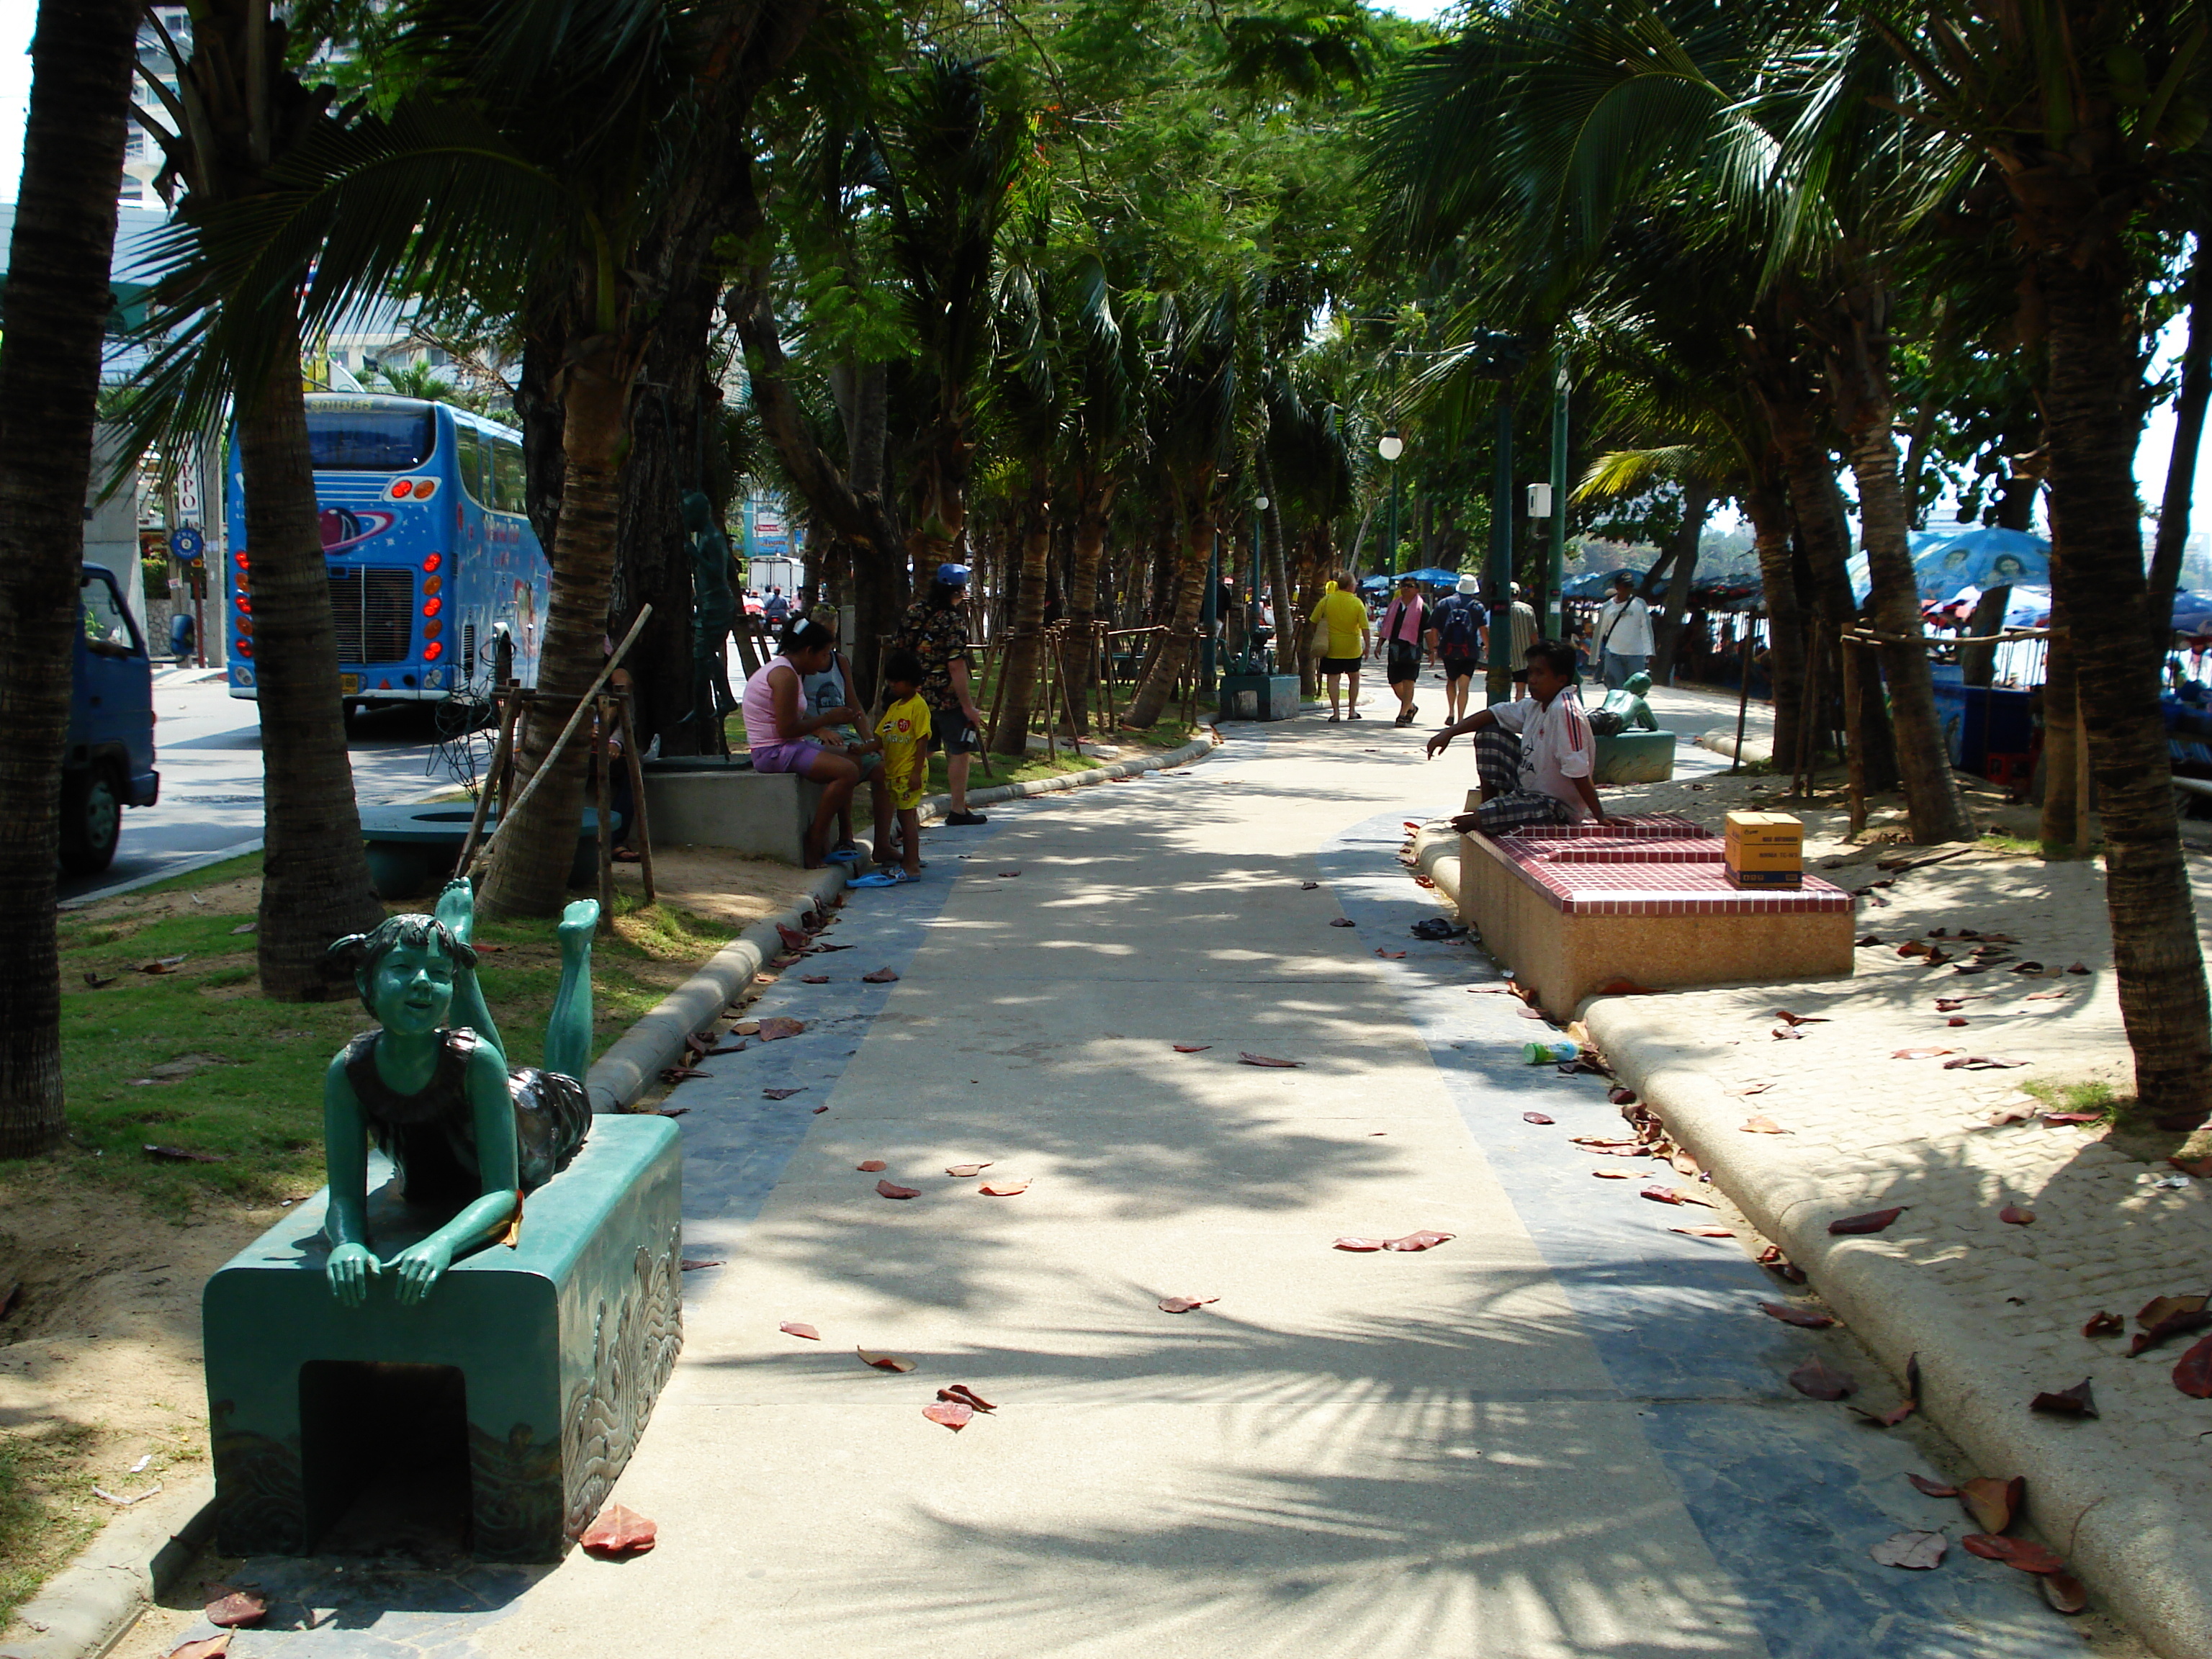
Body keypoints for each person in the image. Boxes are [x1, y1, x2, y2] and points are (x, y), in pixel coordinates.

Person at [321, 882, 595, 1306]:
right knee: (481, 1064)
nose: (422, 984)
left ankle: (576, 951)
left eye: (437, 973)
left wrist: (442, 1244)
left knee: (564, 1080)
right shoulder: (348, 1070)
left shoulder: (477, 1063)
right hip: (454, 1144)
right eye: (402, 968)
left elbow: (503, 1195)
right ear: (365, 978)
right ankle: (457, 952)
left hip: (531, 1124)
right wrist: (348, 1242)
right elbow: (343, 1195)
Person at [1424, 638, 1605, 832]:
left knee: (1478, 821)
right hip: (1526, 789)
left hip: (1555, 806)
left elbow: (1578, 771)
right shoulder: (1535, 705)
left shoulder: (1565, 712)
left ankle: (1487, 815)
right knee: (1489, 734)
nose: (1532, 680)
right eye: (1531, 673)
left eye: (1540, 674)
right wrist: (1450, 733)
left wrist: (1600, 816)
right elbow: (1495, 713)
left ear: (1561, 679)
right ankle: (1490, 806)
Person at [742, 616, 863, 867]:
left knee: (852, 759)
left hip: (789, 746)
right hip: (773, 751)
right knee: (847, 772)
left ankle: (839, 835)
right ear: (809, 651)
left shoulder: (790, 671)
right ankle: (815, 839)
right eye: (823, 654)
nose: (825, 661)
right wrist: (827, 719)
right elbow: (786, 729)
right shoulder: (784, 675)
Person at [894, 562, 989, 824]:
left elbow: (899, 647)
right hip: (945, 698)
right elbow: (956, 664)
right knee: (958, 750)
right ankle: (958, 809)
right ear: (958, 591)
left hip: (914, 696)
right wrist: (968, 706)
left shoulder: (913, 612)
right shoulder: (952, 620)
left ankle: (904, 805)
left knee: (921, 749)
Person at [799, 606, 892, 866]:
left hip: (843, 730)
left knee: (883, 768)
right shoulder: (801, 664)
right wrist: (819, 729)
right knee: (846, 762)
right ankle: (845, 834)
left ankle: (883, 844)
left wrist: (871, 742)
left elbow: (854, 707)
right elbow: (792, 711)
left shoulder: (840, 662)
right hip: (815, 732)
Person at [876, 650, 932, 881]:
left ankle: (911, 865)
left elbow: (922, 740)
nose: (892, 686)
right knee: (903, 817)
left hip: (910, 772)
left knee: (906, 817)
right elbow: (881, 735)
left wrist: (916, 772)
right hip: (895, 772)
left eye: (896, 682)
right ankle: (911, 860)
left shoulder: (918, 707)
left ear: (910, 682)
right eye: (889, 682)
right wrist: (862, 749)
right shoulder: (895, 707)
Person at [1308, 575, 1371, 721]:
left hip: (1331, 647)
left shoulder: (1327, 600)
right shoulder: (1357, 603)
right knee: (1354, 678)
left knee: (1333, 679)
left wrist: (1320, 634)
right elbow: (1365, 627)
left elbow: (1313, 620)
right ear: (1350, 586)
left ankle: (1336, 713)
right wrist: (1367, 646)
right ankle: (1352, 711)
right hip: (1352, 648)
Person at [1428, 574, 1482, 725]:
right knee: (1464, 686)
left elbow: (1434, 628)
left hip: (1449, 650)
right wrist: (1488, 647)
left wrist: (1434, 648)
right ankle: (1461, 719)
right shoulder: (1477, 606)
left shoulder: (1444, 604)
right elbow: (1484, 629)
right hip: (1469, 651)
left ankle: (1451, 712)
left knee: (1451, 681)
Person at [1377, 574, 1430, 726]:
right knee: (1394, 682)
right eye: (1403, 586)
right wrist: (1380, 644)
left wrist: (1433, 651)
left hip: (1413, 649)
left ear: (1417, 590)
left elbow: (1429, 631)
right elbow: (1386, 626)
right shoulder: (1394, 606)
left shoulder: (1422, 608)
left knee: (1409, 681)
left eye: (1410, 586)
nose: (1406, 588)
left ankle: (1402, 714)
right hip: (1395, 648)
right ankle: (1411, 707)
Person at [1594, 572, 1654, 688]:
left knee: (1635, 689)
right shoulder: (1607, 607)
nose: (1628, 589)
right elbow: (1599, 633)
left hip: (1636, 655)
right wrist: (1594, 659)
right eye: (1625, 586)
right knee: (1615, 688)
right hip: (1613, 654)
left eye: (1631, 586)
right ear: (1617, 587)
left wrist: (1650, 652)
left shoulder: (1639, 604)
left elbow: (1646, 629)